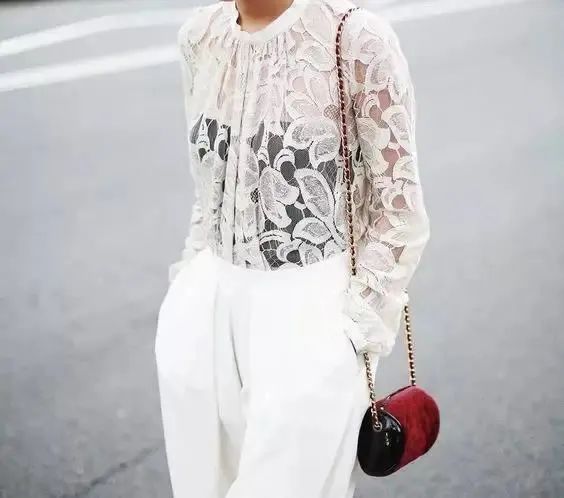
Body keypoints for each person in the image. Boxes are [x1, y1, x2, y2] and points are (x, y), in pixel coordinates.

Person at [154, 0, 431, 497]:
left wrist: (349, 334)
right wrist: (186, 289)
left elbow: (399, 211)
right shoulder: (199, 37)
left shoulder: (355, 38)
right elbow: (208, 187)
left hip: (312, 318)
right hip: (203, 318)